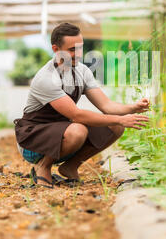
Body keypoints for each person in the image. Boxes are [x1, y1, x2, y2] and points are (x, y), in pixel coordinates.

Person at [13, 22, 150, 188]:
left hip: (61, 132)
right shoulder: (46, 78)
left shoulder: (82, 71)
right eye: (72, 50)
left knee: (116, 126)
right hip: (33, 141)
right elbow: (76, 115)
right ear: (56, 50)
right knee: (79, 130)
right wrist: (119, 119)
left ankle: (70, 167)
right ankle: (43, 166)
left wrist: (132, 108)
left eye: (80, 48)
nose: (78, 54)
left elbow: (106, 105)